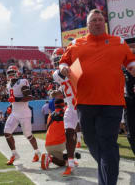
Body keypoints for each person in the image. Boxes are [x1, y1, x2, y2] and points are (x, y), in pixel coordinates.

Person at [59, 9, 135, 185]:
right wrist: (64, 68)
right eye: (94, 20)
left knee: (108, 142)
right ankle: (106, 169)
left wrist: (134, 67)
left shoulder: (118, 41)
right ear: (88, 25)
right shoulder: (75, 43)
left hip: (112, 102)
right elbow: (64, 61)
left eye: (100, 19)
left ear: (104, 23)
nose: (98, 22)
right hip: (85, 102)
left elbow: (131, 60)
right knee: (91, 141)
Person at [51, 47, 81, 176]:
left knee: (95, 136)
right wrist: (58, 93)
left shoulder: (77, 66)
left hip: (85, 104)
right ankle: (70, 163)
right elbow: (65, 84)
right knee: (68, 132)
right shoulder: (57, 73)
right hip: (71, 105)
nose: (57, 62)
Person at [4, 65, 40, 165]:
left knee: (28, 135)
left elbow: (29, 97)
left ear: (17, 73)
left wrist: (15, 99)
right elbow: (12, 100)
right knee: (7, 132)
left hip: (24, 113)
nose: (11, 75)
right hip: (14, 113)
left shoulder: (22, 82)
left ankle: (37, 152)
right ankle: (14, 154)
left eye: (12, 73)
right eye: (9, 73)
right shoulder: (8, 85)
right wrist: (11, 106)